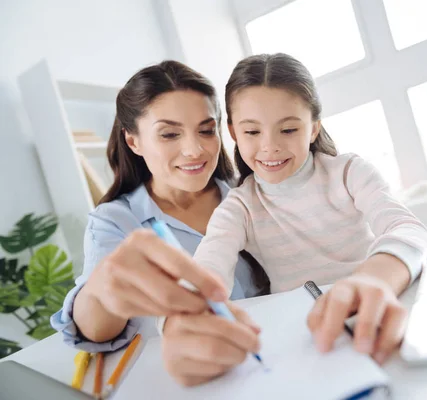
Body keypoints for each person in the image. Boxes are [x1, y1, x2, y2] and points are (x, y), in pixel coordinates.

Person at [188, 53, 427, 366]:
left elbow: (410, 230)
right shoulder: (239, 208)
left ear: (313, 128)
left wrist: (373, 280)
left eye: (288, 130)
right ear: (234, 132)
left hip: (377, 317)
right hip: (306, 339)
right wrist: (194, 310)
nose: (270, 146)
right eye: (252, 132)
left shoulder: (348, 173)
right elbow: (209, 269)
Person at [51, 60, 268, 386]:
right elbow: (95, 330)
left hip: (271, 362)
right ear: (134, 142)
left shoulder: (250, 194)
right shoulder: (116, 222)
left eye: (206, 131)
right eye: (169, 134)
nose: (194, 150)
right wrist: (100, 293)